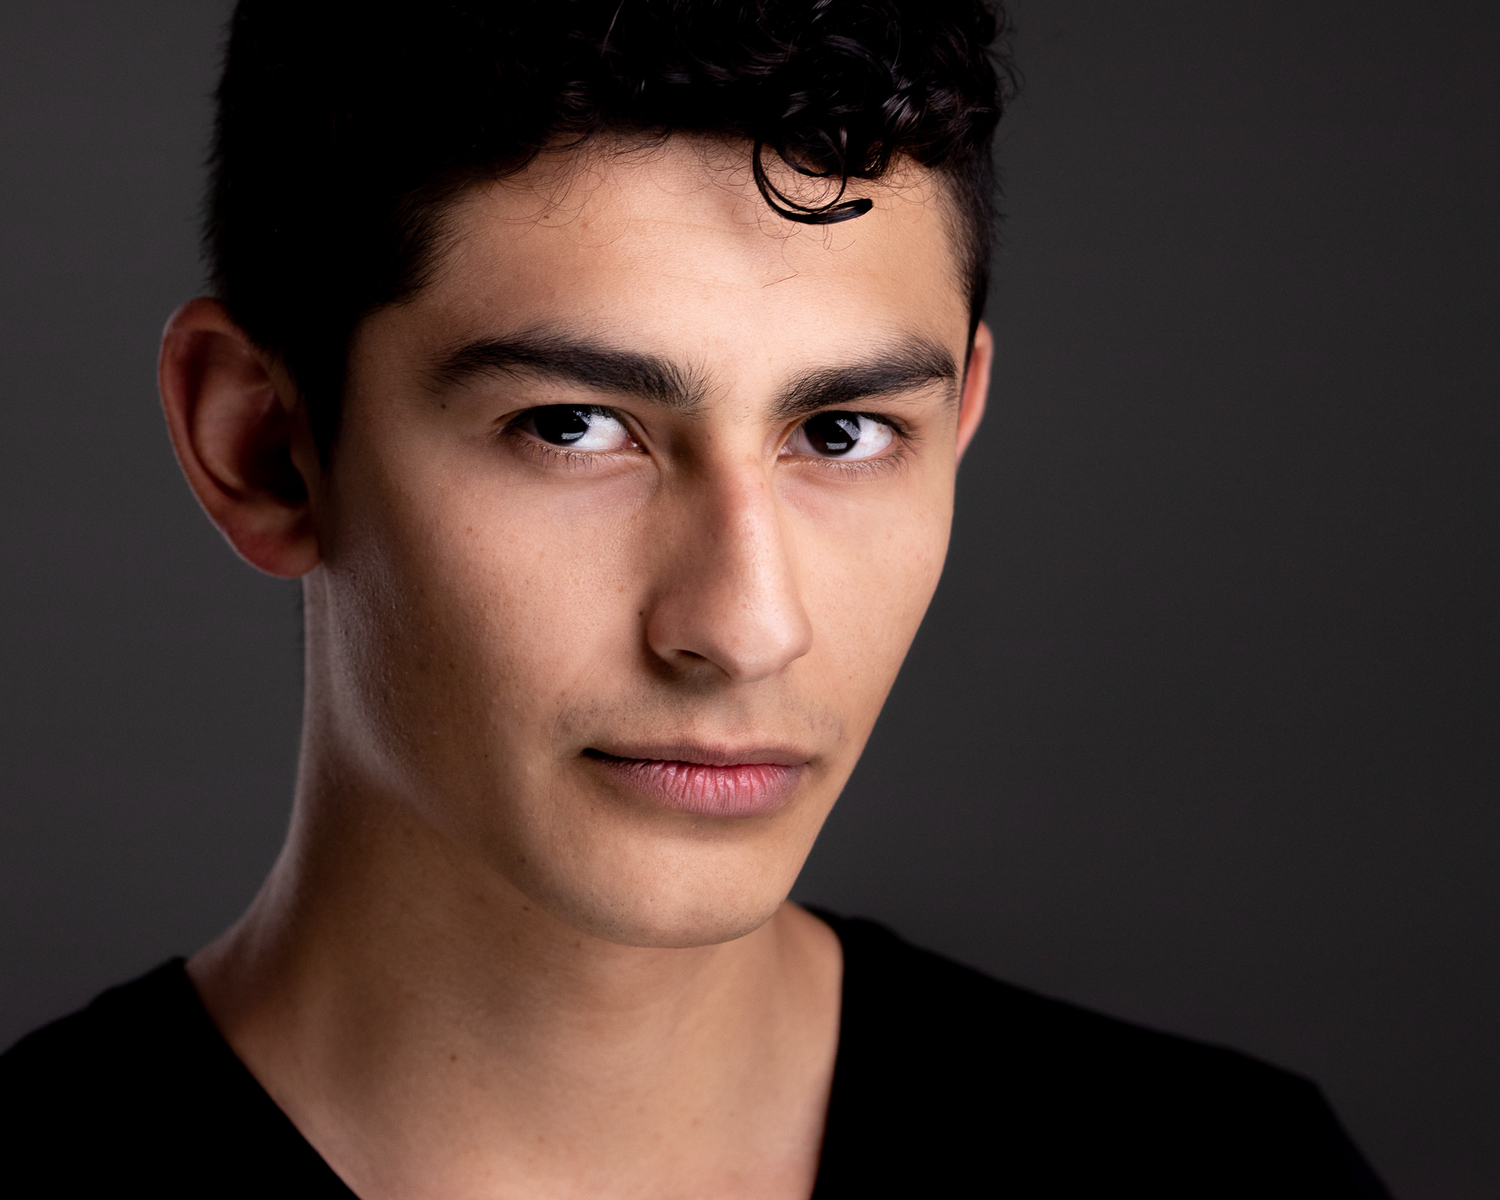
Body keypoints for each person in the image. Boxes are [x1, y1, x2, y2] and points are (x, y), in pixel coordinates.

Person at [0, 2, 1391, 1196]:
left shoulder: (1234, 1169)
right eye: (572, 426)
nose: (746, 626)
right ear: (263, 445)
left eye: (841, 433)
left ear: (960, 422)